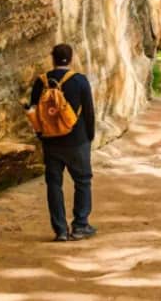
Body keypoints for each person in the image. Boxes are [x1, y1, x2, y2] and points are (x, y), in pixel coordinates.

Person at [28, 43, 97, 242]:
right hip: (77, 141)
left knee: (54, 184)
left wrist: (42, 136)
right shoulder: (79, 81)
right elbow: (89, 111)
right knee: (82, 181)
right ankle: (80, 226)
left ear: (53, 58)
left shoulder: (41, 82)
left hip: (51, 142)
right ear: (71, 58)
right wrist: (89, 135)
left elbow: (33, 112)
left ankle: (60, 230)